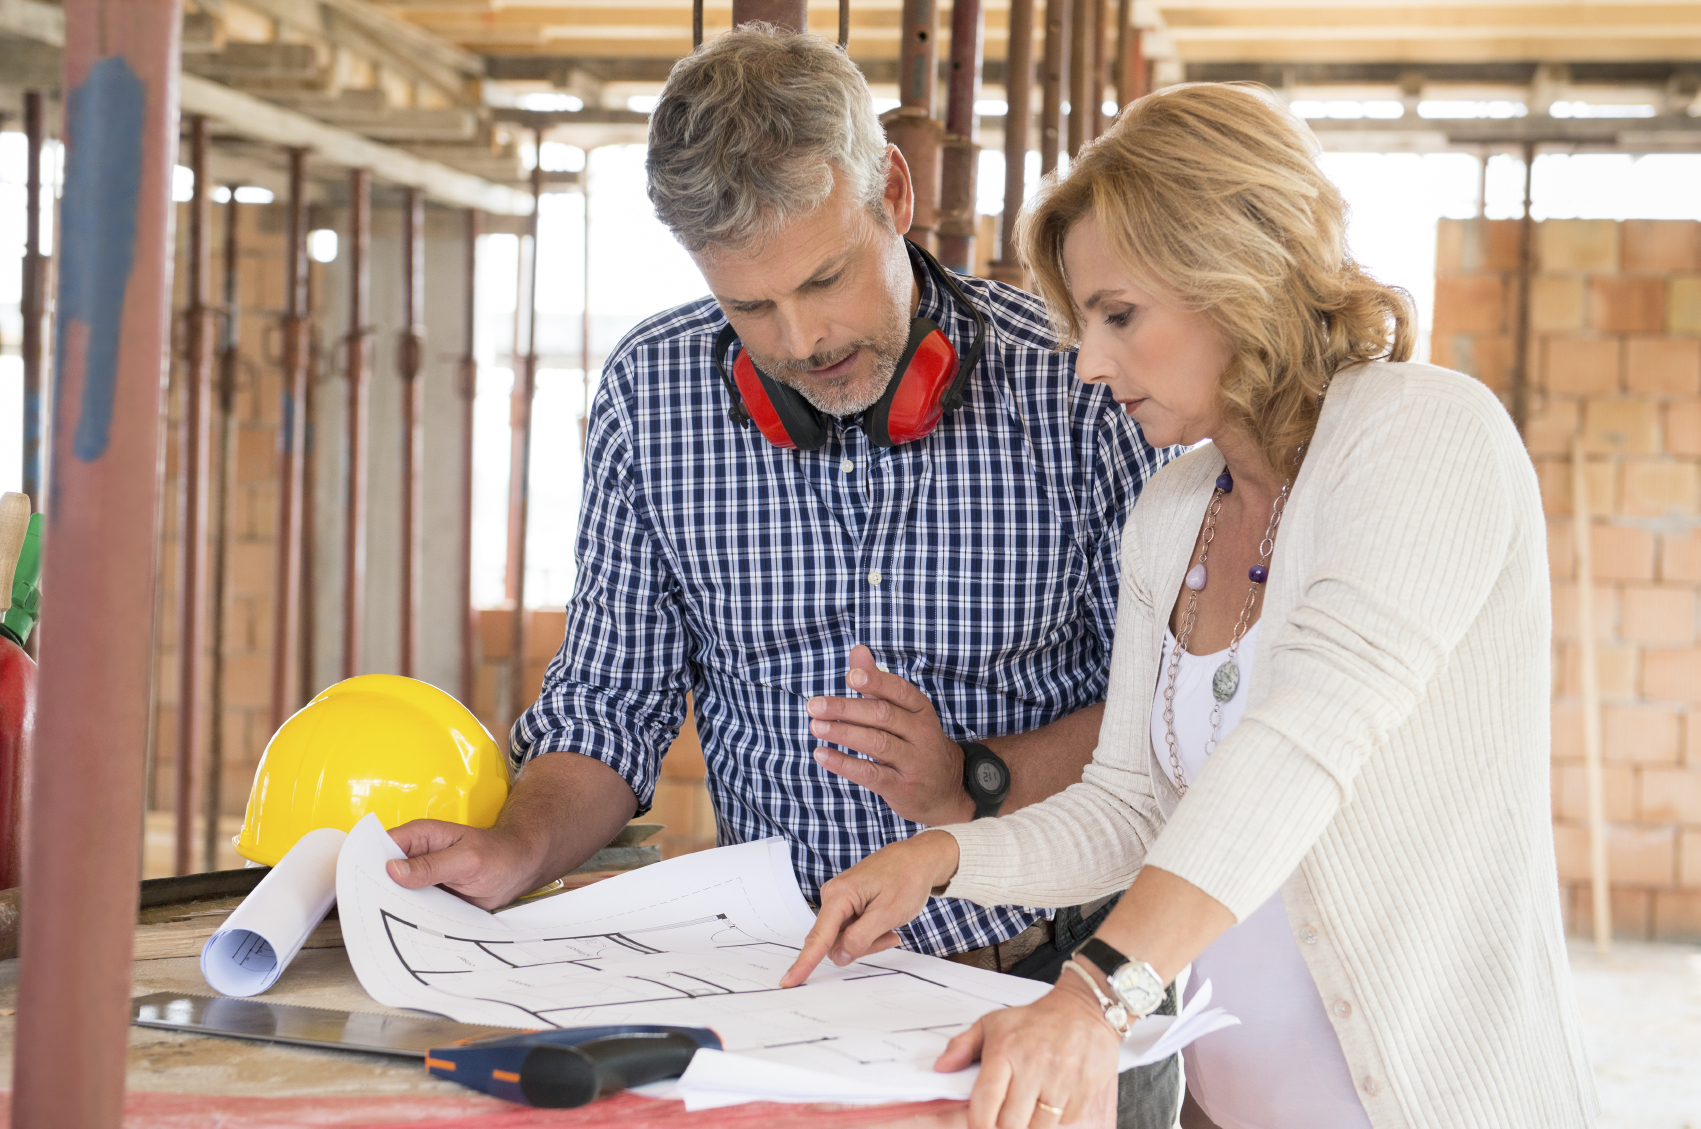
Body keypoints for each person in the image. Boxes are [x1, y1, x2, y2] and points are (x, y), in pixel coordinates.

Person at [383, 26, 1181, 1126]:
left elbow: (1169, 714)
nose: (803, 340)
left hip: (1043, 996)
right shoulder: (651, 398)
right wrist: (515, 844)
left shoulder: (1081, 387)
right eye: (750, 308)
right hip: (775, 1007)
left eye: (824, 277)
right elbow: (610, 703)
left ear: (892, 194)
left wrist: (975, 780)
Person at [783, 82, 1598, 1129]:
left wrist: (1092, 994)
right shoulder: (1174, 510)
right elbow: (1131, 804)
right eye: (1084, 323)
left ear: (1237, 271)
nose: (1090, 364)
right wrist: (942, 859)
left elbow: (1299, 747)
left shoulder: (1423, 435)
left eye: (1121, 316)